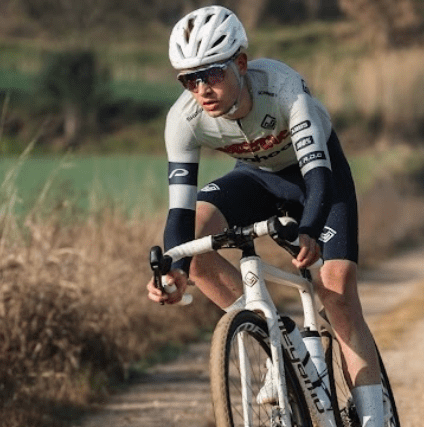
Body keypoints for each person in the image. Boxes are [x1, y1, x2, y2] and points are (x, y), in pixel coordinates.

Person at [144, 6, 386, 425]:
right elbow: (180, 211)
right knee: (196, 245)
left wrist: (310, 229)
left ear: (241, 63)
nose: (201, 89)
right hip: (257, 178)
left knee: (338, 296)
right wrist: (174, 268)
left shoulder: (285, 89)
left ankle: (375, 418)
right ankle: (276, 334)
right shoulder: (183, 120)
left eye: (212, 74)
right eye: (189, 79)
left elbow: (320, 178)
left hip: (318, 178)